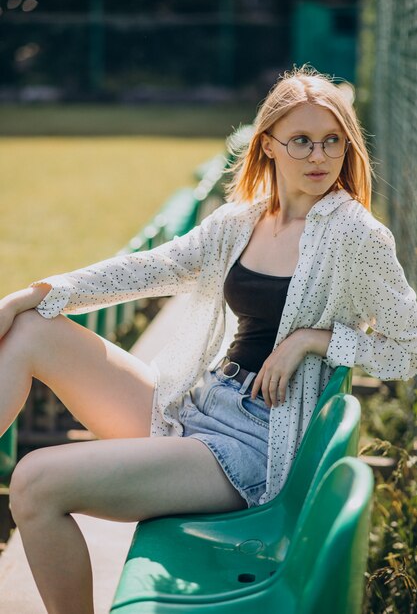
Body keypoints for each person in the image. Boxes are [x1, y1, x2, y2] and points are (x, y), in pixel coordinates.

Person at [1, 64, 417, 614]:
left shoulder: (355, 235)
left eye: (331, 142)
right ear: (267, 145)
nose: (319, 157)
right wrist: (33, 294)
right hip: (196, 404)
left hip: (250, 446)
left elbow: (407, 347)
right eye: (301, 142)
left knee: (35, 482)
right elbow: (151, 267)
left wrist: (316, 339)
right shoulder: (240, 220)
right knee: (31, 328)